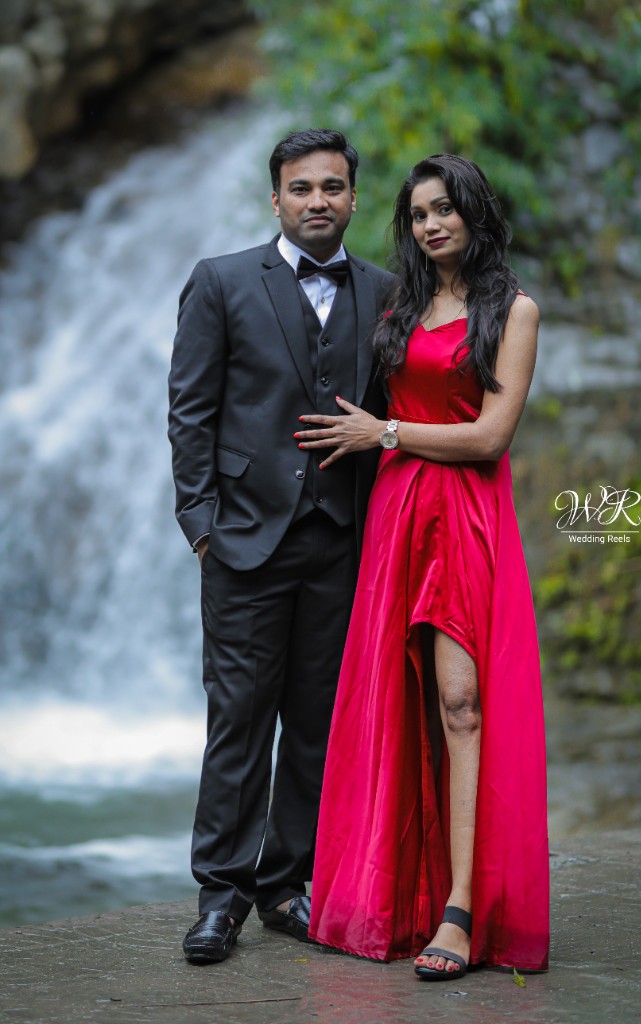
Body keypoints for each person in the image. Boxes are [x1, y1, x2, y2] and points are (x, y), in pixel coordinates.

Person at [297, 154, 550, 976]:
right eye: (418, 214)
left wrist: (387, 433)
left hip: (466, 512)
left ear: (475, 211)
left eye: (445, 208)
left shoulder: (514, 311)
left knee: (461, 703)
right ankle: (396, 897)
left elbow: (490, 436)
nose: (432, 224)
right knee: (395, 703)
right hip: (398, 514)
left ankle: (461, 911)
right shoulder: (399, 305)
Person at [168, 128, 393, 964]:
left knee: (316, 724)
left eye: (332, 187)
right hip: (242, 542)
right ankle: (220, 896)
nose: (317, 201)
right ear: (276, 199)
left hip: (341, 543)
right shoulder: (222, 281)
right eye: (301, 188)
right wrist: (202, 526)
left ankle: (285, 884)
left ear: (353, 198)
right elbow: (190, 409)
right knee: (238, 719)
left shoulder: (386, 291)